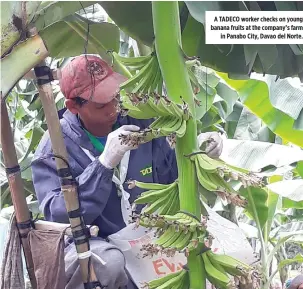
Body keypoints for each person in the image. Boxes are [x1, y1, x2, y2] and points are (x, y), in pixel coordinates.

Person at [31, 55, 224, 289]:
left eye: (115, 97)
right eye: (101, 105)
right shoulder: (55, 147)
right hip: (97, 241)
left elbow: (172, 173)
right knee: (110, 265)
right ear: (73, 107)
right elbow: (59, 215)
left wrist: (198, 151)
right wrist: (103, 165)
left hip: (149, 233)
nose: (113, 109)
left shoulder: (142, 122)